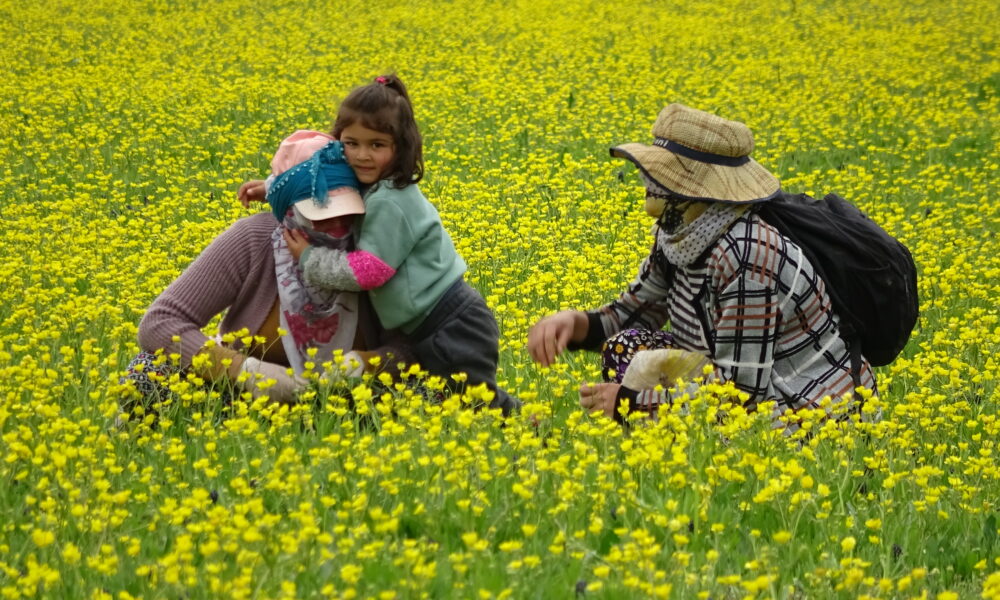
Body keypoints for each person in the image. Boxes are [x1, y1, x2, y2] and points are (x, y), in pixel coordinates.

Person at [526, 103, 877, 424]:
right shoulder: (681, 234)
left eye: (659, 177)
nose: (646, 184)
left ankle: (686, 458)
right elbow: (633, 313)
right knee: (625, 347)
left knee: (674, 402)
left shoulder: (746, 256)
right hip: (736, 380)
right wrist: (575, 324)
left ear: (695, 190)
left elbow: (742, 393)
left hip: (808, 408)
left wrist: (634, 404)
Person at [241, 74, 519, 415]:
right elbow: (320, 178)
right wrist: (273, 188)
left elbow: (369, 271)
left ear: (400, 147)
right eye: (351, 143)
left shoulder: (391, 199)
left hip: (451, 322)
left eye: (377, 145)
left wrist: (310, 258)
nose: (362, 155)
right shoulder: (371, 181)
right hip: (428, 324)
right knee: (447, 405)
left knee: (477, 405)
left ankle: (533, 427)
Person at [122, 130, 407, 416]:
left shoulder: (374, 252)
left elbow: (411, 346)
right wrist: (244, 371)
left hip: (348, 407)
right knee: (147, 371)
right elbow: (160, 322)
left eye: (345, 211)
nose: (335, 223)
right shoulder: (254, 239)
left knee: (427, 385)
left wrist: (363, 365)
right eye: (320, 213)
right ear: (289, 209)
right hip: (244, 399)